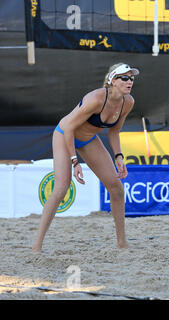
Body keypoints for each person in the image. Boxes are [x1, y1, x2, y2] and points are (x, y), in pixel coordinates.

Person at [32, 63, 139, 251]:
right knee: (61, 188)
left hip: (88, 139)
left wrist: (119, 156)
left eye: (131, 78)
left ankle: (122, 244)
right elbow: (69, 129)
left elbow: (114, 131)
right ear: (113, 80)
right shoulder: (95, 99)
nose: (129, 81)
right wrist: (75, 162)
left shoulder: (128, 102)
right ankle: (37, 245)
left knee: (116, 188)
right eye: (125, 77)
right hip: (65, 134)